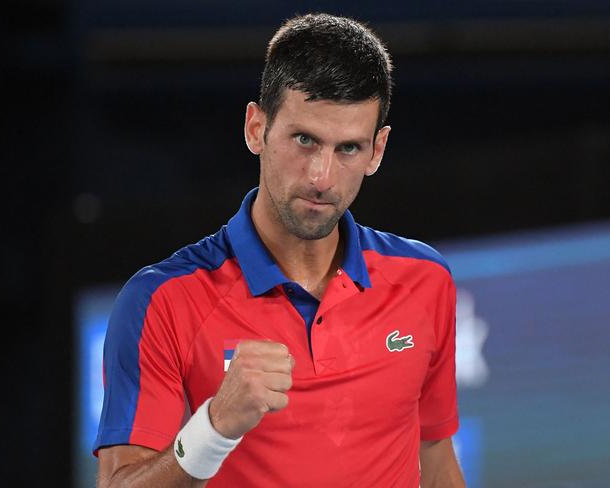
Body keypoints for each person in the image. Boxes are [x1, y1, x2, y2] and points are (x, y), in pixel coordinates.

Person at [94, 12, 465, 488]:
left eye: (348, 148)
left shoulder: (425, 280)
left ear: (378, 150)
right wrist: (212, 429)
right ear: (256, 128)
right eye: (304, 140)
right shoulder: (162, 301)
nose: (321, 177)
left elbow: (434, 459)